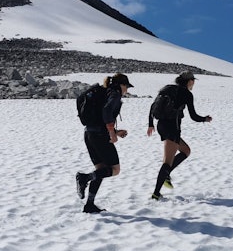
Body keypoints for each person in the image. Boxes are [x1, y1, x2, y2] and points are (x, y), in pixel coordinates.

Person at [147, 71, 212, 200]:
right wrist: (205, 119)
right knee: (167, 162)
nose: (193, 83)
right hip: (172, 128)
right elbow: (193, 116)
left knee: (186, 150)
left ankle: (166, 174)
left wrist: (150, 124)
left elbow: (153, 106)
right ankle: (156, 194)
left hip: (161, 125)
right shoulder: (187, 94)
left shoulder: (167, 88)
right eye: (193, 80)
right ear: (189, 81)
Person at [75, 73, 133, 213]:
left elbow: (100, 118)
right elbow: (106, 111)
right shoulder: (114, 94)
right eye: (126, 86)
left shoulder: (102, 92)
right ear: (121, 85)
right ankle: (84, 178)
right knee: (115, 169)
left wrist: (115, 131)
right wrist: (112, 133)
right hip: (100, 135)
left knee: (101, 169)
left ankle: (89, 205)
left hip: (89, 134)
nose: (127, 90)